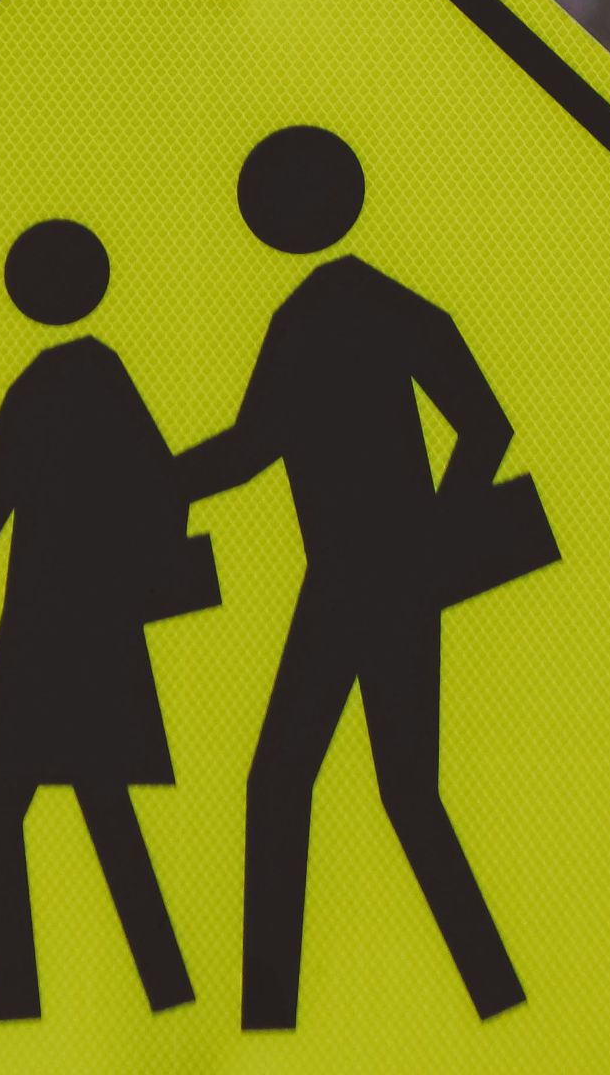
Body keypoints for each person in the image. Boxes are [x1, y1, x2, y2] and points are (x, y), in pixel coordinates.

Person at [176, 126, 533, 1030]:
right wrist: (155, 478)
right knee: (366, 789)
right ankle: (474, 995)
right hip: (355, 580)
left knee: (322, 782)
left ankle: (275, 1014)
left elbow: (483, 425)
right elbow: (257, 448)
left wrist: (431, 542)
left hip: (369, 580)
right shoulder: (331, 312)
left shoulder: (346, 308)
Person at [0, 219, 214, 1022]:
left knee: (9, 818)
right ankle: (162, 989)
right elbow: (162, 491)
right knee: (94, 807)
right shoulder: (96, 378)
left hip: (48, 638)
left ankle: (20, 1007)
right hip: (85, 633)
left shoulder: (46, 388)